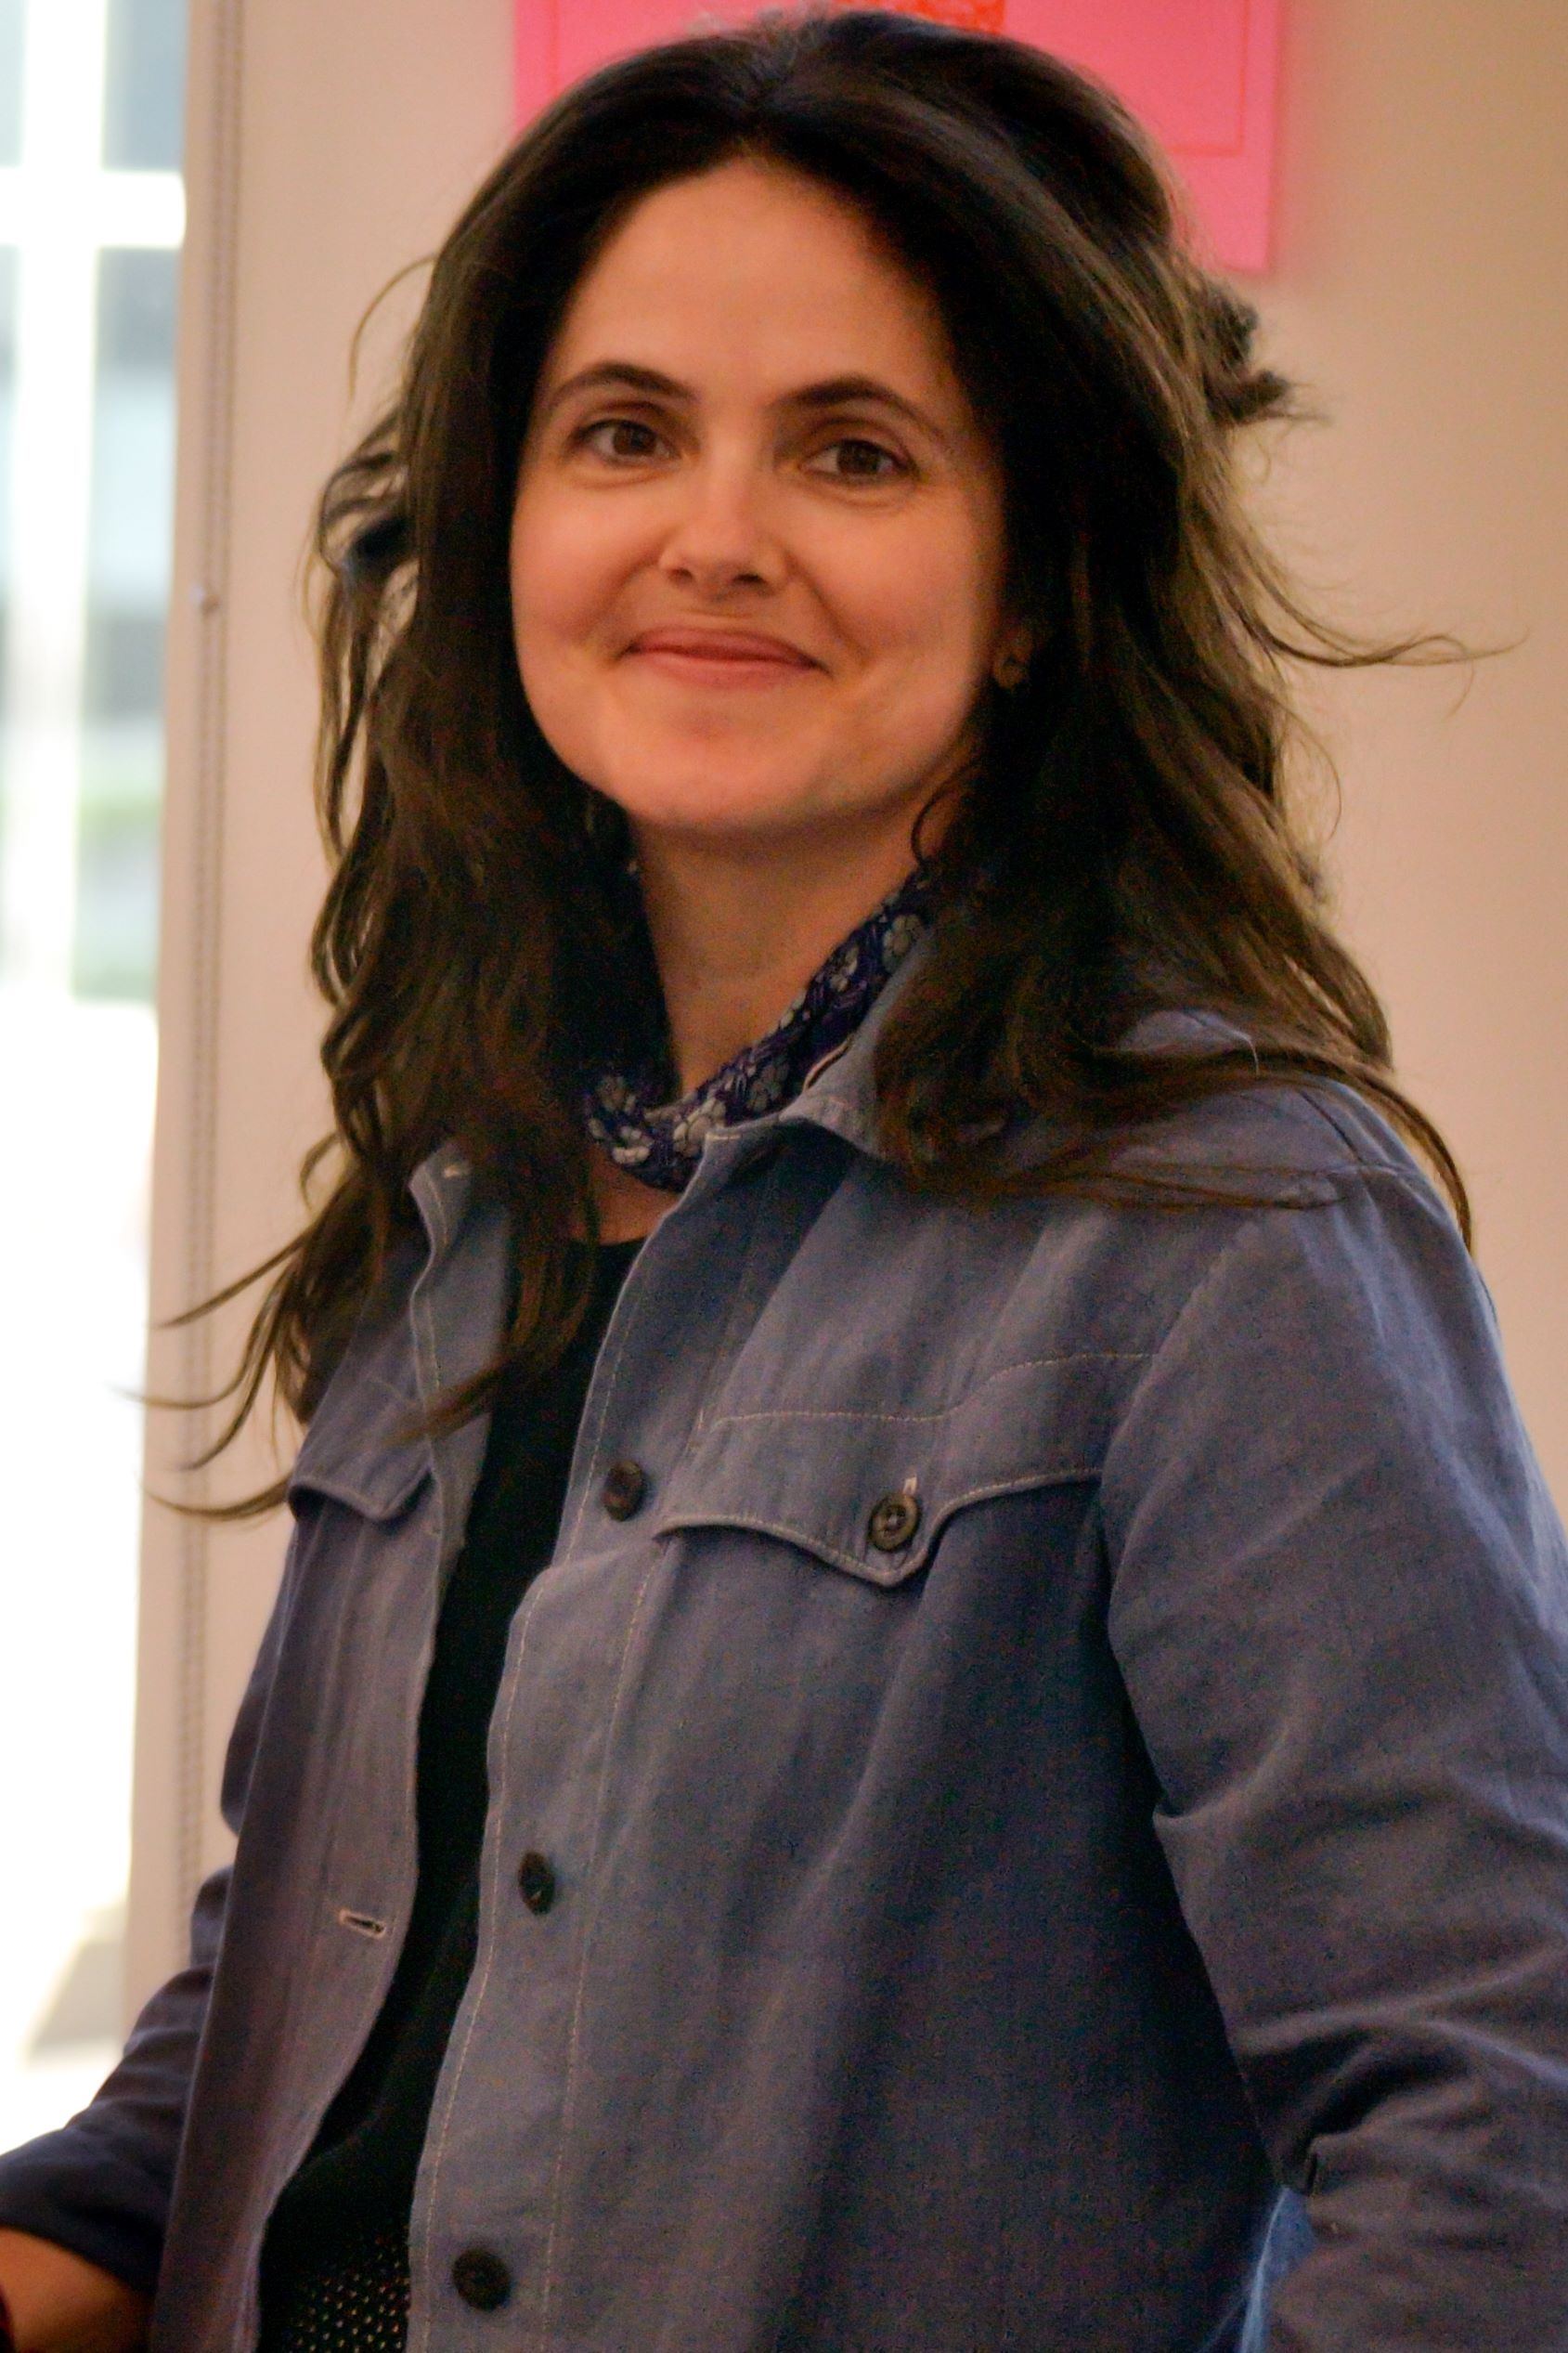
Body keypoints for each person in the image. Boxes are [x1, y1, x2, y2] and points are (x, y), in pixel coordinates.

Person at [3, 8, 1567, 2348]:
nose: (709, 536)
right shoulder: (468, 1184)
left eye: (851, 451)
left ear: (1032, 580)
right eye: (622, 431)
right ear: (502, 520)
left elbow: (1494, 2146)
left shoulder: (1236, 1232)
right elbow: (280, 2043)